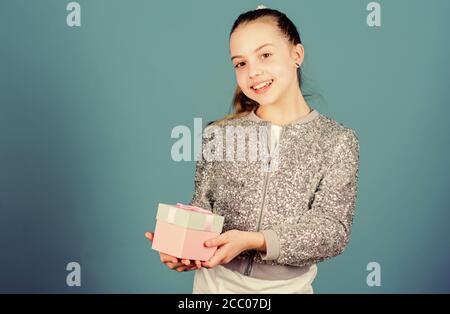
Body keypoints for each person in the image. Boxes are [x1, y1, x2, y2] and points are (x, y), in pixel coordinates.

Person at [145, 5, 360, 294]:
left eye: (265, 55)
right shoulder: (218, 135)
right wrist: (185, 248)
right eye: (240, 63)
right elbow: (202, 210)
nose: (253, 72)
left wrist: (256, 240)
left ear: (296, 55)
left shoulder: (337, 141)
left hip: (286, 290)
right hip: (213, 289)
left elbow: (333, 231)